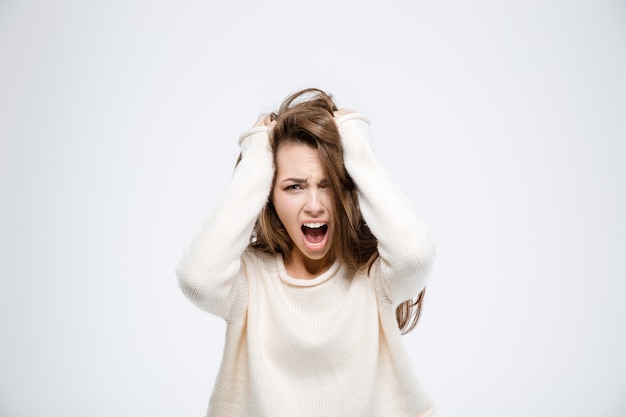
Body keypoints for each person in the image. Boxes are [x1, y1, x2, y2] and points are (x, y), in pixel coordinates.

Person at [176, 88, 436, 417]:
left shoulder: (373, 277)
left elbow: (414, 255)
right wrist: (257, 156)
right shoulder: (249, 281)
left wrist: (355, 144)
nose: (314, 206)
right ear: (267, 194)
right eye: (294, 186)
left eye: (328, 184)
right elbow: (197, 278)